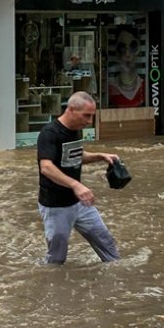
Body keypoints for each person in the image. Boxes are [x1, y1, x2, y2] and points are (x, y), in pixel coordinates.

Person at [36, 91, 121, 264]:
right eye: (86, 116)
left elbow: (75, 155)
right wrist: (76, 185)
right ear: (71, 110)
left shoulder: (76, 130)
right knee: (56, 258)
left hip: (80, 203)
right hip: (56, 206)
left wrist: (100, 156)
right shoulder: (49, 133)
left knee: (107, 244)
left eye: (92, 116)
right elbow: (46, 167)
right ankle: (51, 287)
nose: (89, 121)